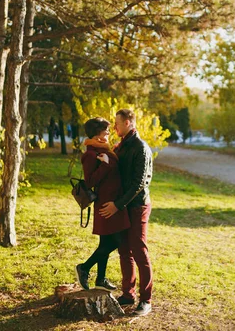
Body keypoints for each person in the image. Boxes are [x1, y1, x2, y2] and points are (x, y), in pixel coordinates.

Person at [99, 109, 154, 317]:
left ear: (129, 123)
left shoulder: (141, 148)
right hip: (122, 206)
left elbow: (139, 183)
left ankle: (146, 300)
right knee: (124, 250)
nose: (115, 128)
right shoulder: (120, 146)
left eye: (118, 124)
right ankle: (128, 294)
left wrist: (118, 205)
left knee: (139, 250)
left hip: (137, 206)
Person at [75, 117, 131, 291]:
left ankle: (101, 279)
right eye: (106, 130)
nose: (109, 132)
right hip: (106, 204)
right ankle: (84, 267)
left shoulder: (105, 149)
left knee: (105, 242)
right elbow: (89, 181)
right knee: (115, 241)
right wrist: (105, 166)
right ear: (97, 134)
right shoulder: (90, 154)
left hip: (113, 201)